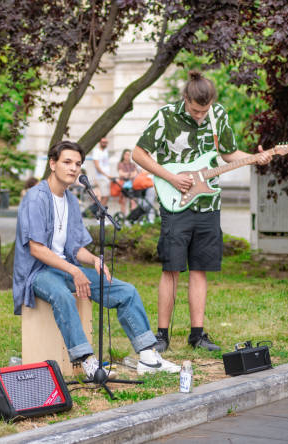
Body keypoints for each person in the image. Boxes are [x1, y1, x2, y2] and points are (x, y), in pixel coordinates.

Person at [12, 140, 180, 379]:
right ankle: (87, 361)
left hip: (65, 269)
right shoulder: (36, 198)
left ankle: (148, 356)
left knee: (126, 291)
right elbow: (36, 249)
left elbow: (75, 247)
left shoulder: (70, 200)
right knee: (61, 295)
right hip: (37, 273)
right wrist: (74, 270)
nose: (73, 168)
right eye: (67, 162)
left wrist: (93, 261)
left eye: (78, 164)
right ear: (52, 164)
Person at [131, 70, 272, 352]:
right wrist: (171, 178)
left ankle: (197, 335)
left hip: (209, 205)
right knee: (171, 268)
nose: (200, 116)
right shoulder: (165, 116)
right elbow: (138, 153)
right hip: (176, 203)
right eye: (196, 111)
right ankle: (161, 335)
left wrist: (256, 158)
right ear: (186, 99)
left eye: (204, 111)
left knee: (200, 269)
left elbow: (230, 154)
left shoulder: (218, 115)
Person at [117, 149, 156, 222]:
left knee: (139, 202)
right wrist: (130, 175)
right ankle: (128, 218)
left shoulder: (133, 164)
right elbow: (122, 174)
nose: (128, 156)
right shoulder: (122, 164)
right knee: (127, 202)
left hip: (141, 185)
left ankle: (135, 218)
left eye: (129, 154)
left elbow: (137, 173)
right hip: (130, 185)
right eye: (126, 154)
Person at [91, 136, 112, 207]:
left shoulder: (106, 151)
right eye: (103, 142)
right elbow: (97, 166)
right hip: (101, 177)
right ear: (99, 142)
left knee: (105, 196)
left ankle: (101, 212)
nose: (104, 144)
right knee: (105, 196)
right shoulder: (96, 151)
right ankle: (101, 213)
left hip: (106, 177)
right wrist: (106, 175)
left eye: (106, 142)